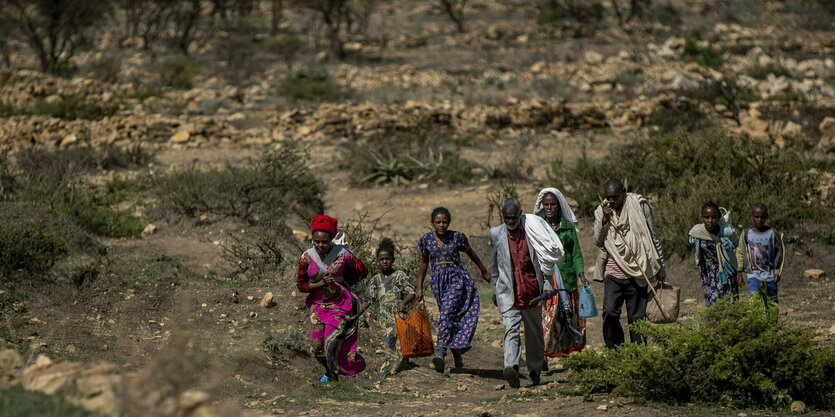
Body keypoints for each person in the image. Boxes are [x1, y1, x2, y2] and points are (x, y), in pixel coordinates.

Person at [490, 198, 564, 388]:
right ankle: (511, 367)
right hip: (509, 294)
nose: (510, 221)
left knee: (534, 335)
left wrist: (547, 284)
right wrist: (494, 290)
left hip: (532, 292)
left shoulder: (532, 231)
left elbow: (545, 262)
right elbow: (495, 267)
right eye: (507, 218)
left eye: (514, 217)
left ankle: (534, 371)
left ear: (520, 213)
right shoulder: (496, 234)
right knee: (510, 330)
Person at [593, 179, 666, 349]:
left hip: (638, 271)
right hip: (613, 272)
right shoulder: (601, 211)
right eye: (608, 197)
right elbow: (598, 240)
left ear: (624, 192)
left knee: (637, 318)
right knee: (610, 312)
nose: (611, 201)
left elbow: (652, 236)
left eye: (615, 197)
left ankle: (638, 356)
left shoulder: (639, 206)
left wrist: (661, 268)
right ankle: (616, 351)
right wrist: (604, 220)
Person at [416, 207, 490, 372]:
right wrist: (419, 287)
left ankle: (441, 352)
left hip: (457, 280)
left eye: (444, 222)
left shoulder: (457, 237)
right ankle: (457, 357)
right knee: (450, 318)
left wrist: (484, 271)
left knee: (446, 314)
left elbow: (471, 253)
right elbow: (424, 263)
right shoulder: (426, 240)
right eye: (438, 222)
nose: (441, 225)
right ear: (432, 223)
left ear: (449, 222)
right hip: (437, 283)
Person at [296, 214, 368, 382]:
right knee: (316, 347)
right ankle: (329, 371)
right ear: (312, 239)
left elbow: (362, 270)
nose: (320, 245)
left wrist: (347, 278)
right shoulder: (306, 257)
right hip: (318, 305)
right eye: (316, 241)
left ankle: (334, 383)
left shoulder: (342, 255)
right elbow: (301, 285)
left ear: (331, 240)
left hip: (340, 304)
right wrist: (320, 284)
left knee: (331, 344)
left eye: (324, 242)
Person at [534, 188, 587, 357]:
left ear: (559, 206)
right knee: (548, 320)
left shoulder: (567, 227)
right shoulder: (537, 227)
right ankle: (543, 354)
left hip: (566, 278)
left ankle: (566, 352)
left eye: (553, 204)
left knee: (567, 317)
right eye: (546, 205)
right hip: (546, 279)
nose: (549, 208)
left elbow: (576, 253)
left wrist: (581, 273)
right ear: (542, 207)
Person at [360, 238, 416, 380]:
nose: (384, 262)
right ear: (377, 261)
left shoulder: (399, 276)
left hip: (399, 316)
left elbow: (412, 292)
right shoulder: (376, 280)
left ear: (393, 260)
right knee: (389, 344)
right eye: (381, 259)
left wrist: (404, 302)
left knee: (400, 342)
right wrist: (356, 313)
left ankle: (396, 368)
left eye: (387, 259)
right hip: (384, 319)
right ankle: (390, 371)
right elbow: (368, 300)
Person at [688, 202, 739, 306]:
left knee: (729, 300)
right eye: (706, 217)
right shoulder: (698, 232)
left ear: (718, 217)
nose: (710, 221)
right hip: (708, 271)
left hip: (726, 269)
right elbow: (691, 240)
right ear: (702, 218)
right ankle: (715, 322)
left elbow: (736, 243)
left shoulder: (726, 232)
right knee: (713, 301)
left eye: (713, 217)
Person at [736, 203, 784, 303]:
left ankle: (770, 319)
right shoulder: (746, 234)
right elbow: (740, 252)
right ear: (752, 217)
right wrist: (739, 273)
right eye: (756, 217)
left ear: (766, 217)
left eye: (762, 217)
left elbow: (780, 253)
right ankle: (756, 319)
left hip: (770, 275)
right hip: (753, 275)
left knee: (772, 304)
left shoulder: (773, 233)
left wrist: (777, 272)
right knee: (755, 301)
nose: (759, 219)